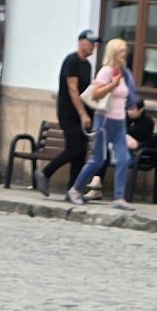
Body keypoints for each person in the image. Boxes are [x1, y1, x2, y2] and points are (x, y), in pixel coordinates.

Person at [70, 36, 138, 202]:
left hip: (119, 122)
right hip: (104, 121)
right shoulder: (106, 71)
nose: (124, 54)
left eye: (125, 51)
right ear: (114, 53)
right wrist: (112, 85)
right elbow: (95, 93)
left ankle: (119, 198)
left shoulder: (126, 74)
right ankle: (75, 190)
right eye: (121, 51)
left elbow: (128, 97)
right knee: (98, 160)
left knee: (124, 158)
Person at [45, 28, 96, 193]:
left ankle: (73, 189)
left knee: (81, 152)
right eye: (91, 43)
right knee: (73, 149)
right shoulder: (72, 61)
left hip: (83, 114)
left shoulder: (87, 65)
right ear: (82, 42)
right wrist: (83, 114)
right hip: (69, 114)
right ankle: (44, 173)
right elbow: (73, 90)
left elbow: (85, 92)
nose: (93, 47)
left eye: (95, 44)